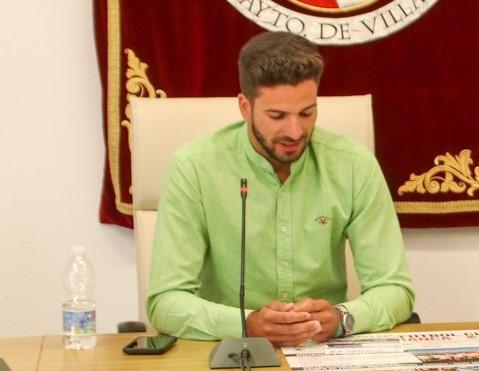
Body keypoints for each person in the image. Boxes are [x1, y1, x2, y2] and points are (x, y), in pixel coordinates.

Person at [147, 31, 416, 346]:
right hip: (230, 352)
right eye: (277, 116)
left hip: (325, 352)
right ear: (245, 107)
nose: (295, 131)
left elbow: (396, 290)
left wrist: (342, 318)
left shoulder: (353, 164)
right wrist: (246, 324)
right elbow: (165, 302)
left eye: (307, 113)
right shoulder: (194, 167)